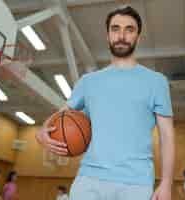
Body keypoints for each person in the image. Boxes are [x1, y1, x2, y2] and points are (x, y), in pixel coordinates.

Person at [36, 5, 175, 200]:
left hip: (136, 182)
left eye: (130, 29)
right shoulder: (88, 81)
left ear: (138, 37)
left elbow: (167, 136)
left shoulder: (156, 81)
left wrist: (166, 182)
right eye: (115, 28)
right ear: (107, 35)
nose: (122, 35)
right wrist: (42, 129)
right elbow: (62, 113)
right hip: (89, 179)